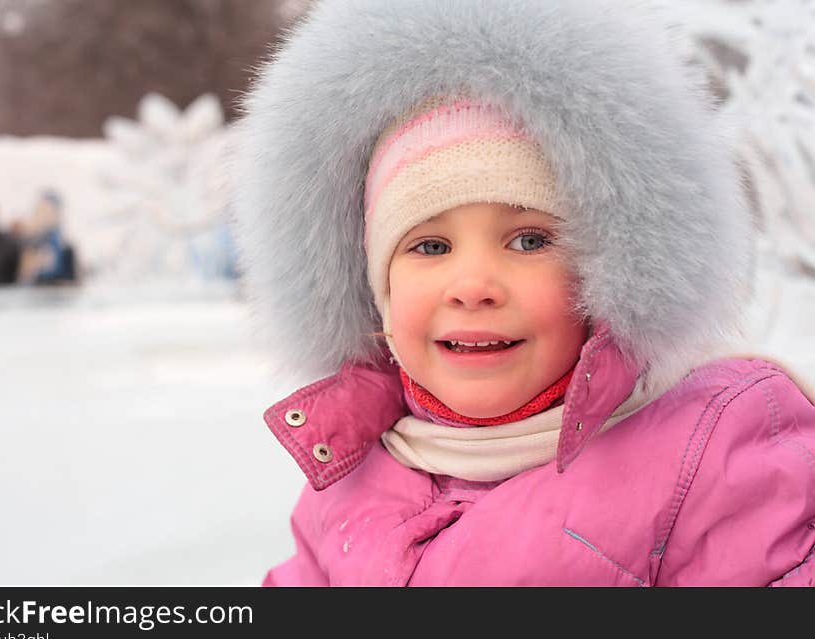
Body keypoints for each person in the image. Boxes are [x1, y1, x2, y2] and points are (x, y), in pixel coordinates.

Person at [230, 0, 815, 586]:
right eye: (430, 247)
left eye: (530, 239)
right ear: (374, 289)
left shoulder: (715, 453)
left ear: (612, 269)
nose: (474, 287)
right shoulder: (345, 483)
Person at [12, 190, 77, 285]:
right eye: (41, 211)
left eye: (50, 211)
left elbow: (73, 282)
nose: (45, 216)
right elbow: (22, 277)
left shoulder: (66, 249)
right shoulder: (27, 245)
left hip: (58, 293)